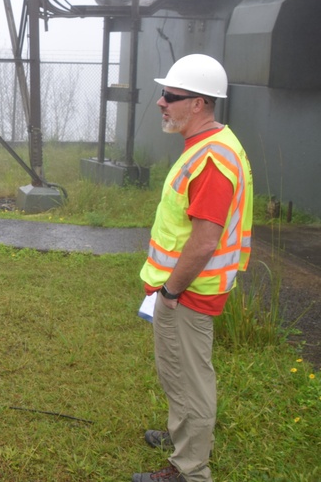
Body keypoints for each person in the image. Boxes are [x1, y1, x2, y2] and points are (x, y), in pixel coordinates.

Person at [133, 54, 253, 482]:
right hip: (183, 290)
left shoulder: (212, 160)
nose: (161, 102)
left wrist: (169, 293)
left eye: (171, 96)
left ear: (199, 103)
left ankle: (189, 470)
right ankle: (180, 434)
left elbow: (204, 241)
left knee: (190, 379)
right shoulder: (207, 147)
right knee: (177, 371)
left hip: (188, 292)